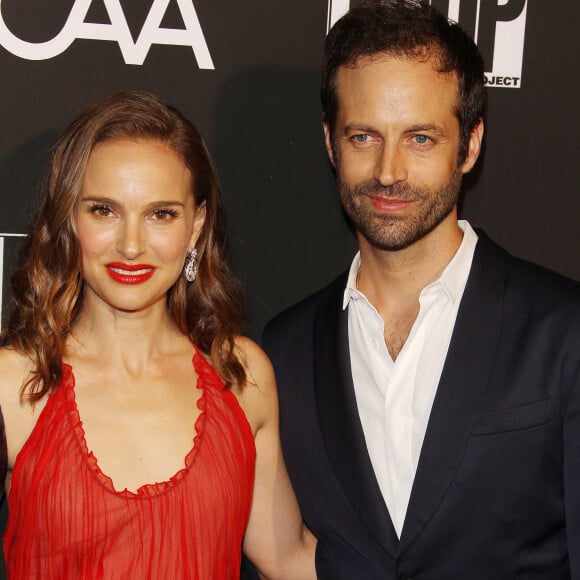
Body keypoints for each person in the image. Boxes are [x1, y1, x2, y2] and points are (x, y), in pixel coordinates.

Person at [262, 0, 580, 577]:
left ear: (471, 144)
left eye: (421, 139)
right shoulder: (282, 351)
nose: (389, 171)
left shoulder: (564, 331)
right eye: (364, 137)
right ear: (331, 143)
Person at [0, 89, 316, 578]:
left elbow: (290, 556)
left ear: (196, 226)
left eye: (161, 214)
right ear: (69, 217)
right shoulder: (13, 385)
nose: (131, 245)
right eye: (103, 210)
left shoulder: (241, 375)